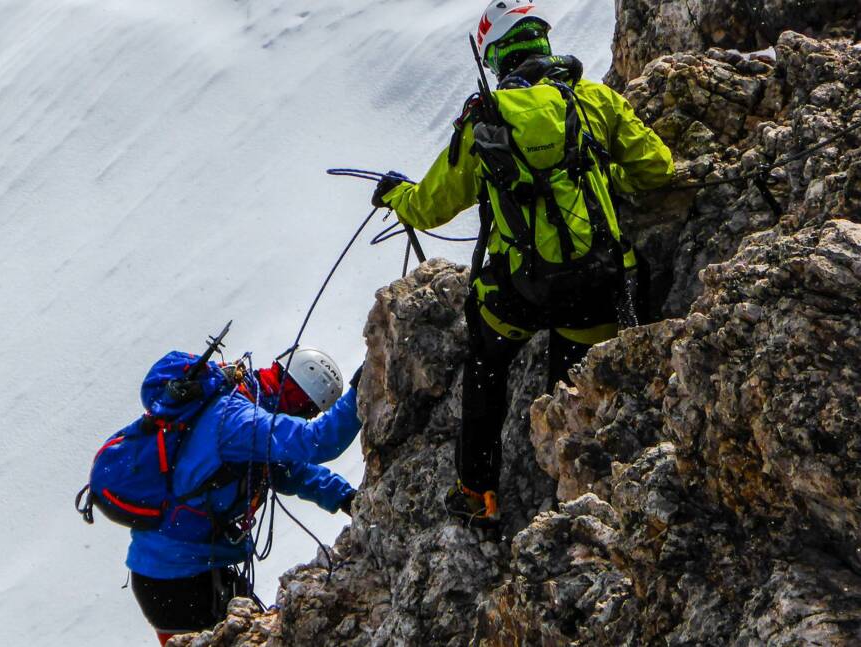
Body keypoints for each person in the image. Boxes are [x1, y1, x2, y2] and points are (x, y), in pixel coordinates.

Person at [370, 0, 674, 527]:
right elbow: (658, 169)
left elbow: (430, 206)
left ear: (495, 58)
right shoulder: (594, 100)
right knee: (573, 388)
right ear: (543, 42)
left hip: (520, 291)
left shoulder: (484, 119)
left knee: (486, 366)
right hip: (601, 282)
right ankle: (580, 499)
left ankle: (477, 494)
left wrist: (396, 195)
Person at [125, 348, 361, 645]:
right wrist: (361, 391)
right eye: (309, 411)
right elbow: (319, 441)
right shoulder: (239, 419)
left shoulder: (242, 403)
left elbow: (284, 471)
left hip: (172, 573)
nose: (307, 417)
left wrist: (343, 497)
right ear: (299, 400)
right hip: (179, 579)